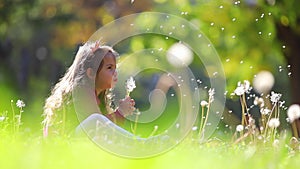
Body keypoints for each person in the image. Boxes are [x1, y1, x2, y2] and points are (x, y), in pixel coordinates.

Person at [42, 41, 135, 137]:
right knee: (95, 119)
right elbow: (98, 126)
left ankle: (137, 143)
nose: (115, 72)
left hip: (76, 142)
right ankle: (140, 144)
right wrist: (120, 112)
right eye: (109, 68)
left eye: (115, 68)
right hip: (66, 144)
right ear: (91, 73)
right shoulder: (82, 91)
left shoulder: (99, 96)